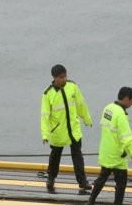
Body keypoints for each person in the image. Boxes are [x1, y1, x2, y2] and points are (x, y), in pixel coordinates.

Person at [41, 64, 93, 194]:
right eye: (61, 77)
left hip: (73, 129)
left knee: (78, 156)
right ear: (54, 77)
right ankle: (51, 178)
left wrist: (87, 119)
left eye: (65, 76)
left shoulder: (73, 87)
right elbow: (45, 116)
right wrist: (45, 134)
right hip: (58, 131)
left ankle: (82, 181)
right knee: (55, 156)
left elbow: (81, 104)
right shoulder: (48, 94)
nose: (64, 79)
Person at [86, 87, 132, 205]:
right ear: (126, 99)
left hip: (106, 152)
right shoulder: (121, 115)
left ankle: (91, 201)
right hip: (117, 155)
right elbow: (126, 137)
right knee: (121, 184)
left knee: (101, 179)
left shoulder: (108, 108)